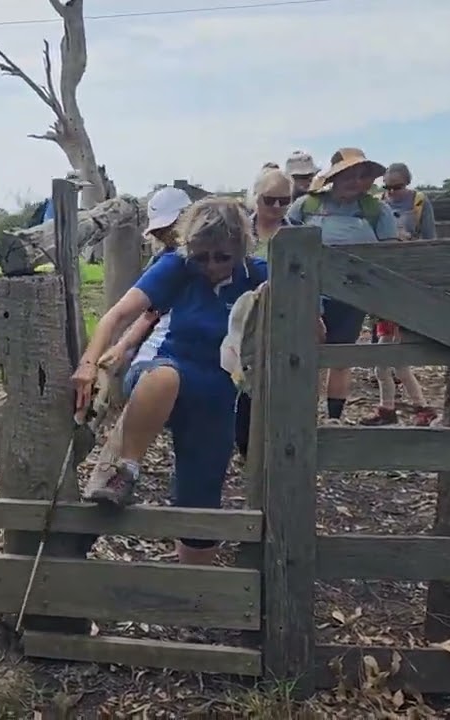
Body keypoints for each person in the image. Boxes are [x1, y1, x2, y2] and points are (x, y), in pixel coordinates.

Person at [74, 197, 266, 566]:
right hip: (163, 371)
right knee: (164, 377)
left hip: (218, 393)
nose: (210, 265)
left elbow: (312, 325)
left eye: (221, 257)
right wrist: (88, 365)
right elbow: (116, 316)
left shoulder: (258, 275)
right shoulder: (175, 267)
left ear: (240, 248)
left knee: (201, 494)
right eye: (201, 256)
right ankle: (126, 471)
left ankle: (192, 590)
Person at [85, 187, 193, 494]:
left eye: (173, 228)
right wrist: (120, 347)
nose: (170, 236)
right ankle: (127, 468)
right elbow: (147, 314)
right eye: (164, 231)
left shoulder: (217, 259)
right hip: (167, 352)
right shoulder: (168, 263)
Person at [285, 148, 399, 424]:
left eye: (362, 176)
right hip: (309, 292)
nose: (356, 181)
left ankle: (334, 418)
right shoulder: (306, 206)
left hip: (353, 295)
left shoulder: (376, 210)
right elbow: (285, 243)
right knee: (306, 353)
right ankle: (303, 414)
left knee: (341, 355)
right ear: (335, 177)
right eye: (349, 175)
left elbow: (390, 254)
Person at [360, 163, 438, 426]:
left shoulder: (419, 203)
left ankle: (413, 408)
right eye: (388, 187)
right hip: (383, 287)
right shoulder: (378, 204)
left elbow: (430, 242)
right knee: (392, 359)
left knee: (388, 359)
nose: (391, 192)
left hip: (405, 286)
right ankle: (397, 408)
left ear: (407, 183)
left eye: (397, 187)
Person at [231, 167, 301, 459]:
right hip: (240, 319)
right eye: (269, 199)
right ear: (255, 198)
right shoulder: (237, 233)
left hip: (284, 318)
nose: (276, 207)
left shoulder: (299, 234)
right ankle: (246, 446)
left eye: (283, 201)